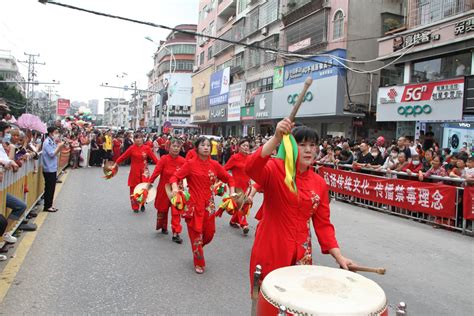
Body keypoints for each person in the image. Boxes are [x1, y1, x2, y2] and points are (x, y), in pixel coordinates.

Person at [245, 118, 353, 291]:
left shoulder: (319, 183)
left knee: (296, 302)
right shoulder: (275, 169)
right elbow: (251, 167)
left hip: (302, 252)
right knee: (270, 303)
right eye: (302, 145)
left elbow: (323, 224)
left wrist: (338, 256)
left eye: (312, 144)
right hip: (272, 246)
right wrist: (276, 138)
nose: (309, 150)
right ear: (291, 147)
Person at [169, 137, 235, 274]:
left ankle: (197, 248)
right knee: (196, 235)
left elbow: (229, 178)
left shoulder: (215, 165)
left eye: (208, 145)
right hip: (193, 204)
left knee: (209, 234)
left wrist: (232, 193)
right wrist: (175, 188)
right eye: (203, 145)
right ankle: (198, 261)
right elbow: (174, 177)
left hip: (209, 205)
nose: (206, 147)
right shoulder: (190, 164)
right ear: (197, 148)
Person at [149, 138, 186, 243]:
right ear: (168, 147)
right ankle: (163, 226)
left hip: (177, 190)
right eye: (173, 146)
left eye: (178, 146)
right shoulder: (164, 159)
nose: (175, 148)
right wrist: (148, 184)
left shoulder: (183, 161)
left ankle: (176, 233)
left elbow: (189, 175)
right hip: (163, 189)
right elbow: (156, 172)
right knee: (162, 210)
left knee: (176, 212)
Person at [113, 133, 159, 213]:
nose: (138, 139)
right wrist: (115, 163)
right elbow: (123, 156)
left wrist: (162, 165)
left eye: (140, 138)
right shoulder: (131, 148)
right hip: (134, 171)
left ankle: (143, 203)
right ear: (134, 140)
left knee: (144, 188)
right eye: (136, 138)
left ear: (142, 139)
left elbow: (154, 159)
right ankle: (135, 206)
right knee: (133, 188)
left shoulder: (147, 148)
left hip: (144, 171)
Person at [224, 138, 251, 235]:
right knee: (241, 205)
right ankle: (244, 224)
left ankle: (233, 221)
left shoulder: (250, 158)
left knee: (244, 204)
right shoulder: (234, 158)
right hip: (236, 186)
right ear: (239, 147)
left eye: (247, 146)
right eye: (243, 145)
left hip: (247, 186)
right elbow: (224, 169)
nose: (245, 147)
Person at [42, 127, 64, 212]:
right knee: (49, 188)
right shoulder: (47, 142)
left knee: (51, 188)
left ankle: (49, 205)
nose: (57, 134)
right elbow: (52, 154)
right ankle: (47, 206)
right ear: (51, 133)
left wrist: (60, 146)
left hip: (52, 167)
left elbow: (56, 152)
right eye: (56, 132)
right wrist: (59, 146)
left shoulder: (52, 142)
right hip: (48, 168)